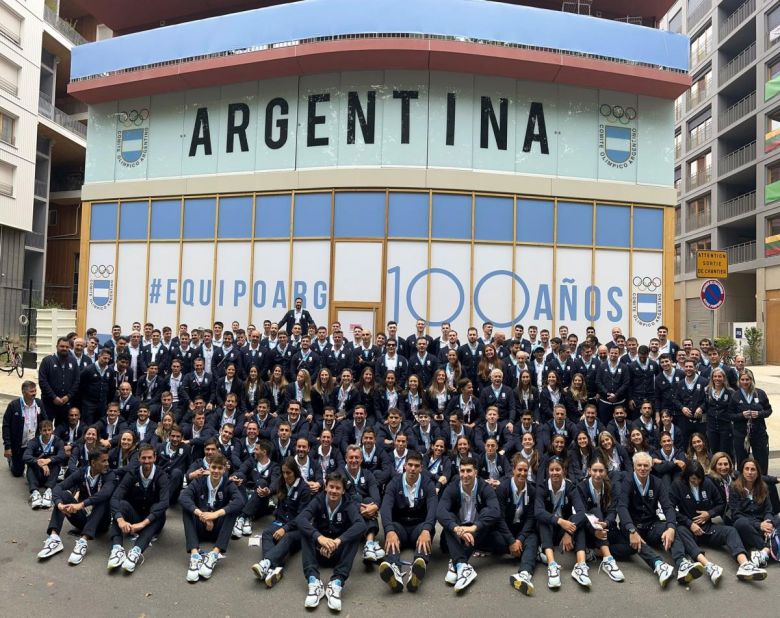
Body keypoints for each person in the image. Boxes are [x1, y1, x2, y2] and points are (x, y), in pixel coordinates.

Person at [616, 451, 704, 588]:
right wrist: (631, 530)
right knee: (636, 543)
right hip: (632, 526)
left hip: (651, 525)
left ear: (651, 467)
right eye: (639, 465)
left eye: (646, 465)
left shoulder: (657, 483)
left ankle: (682, 564)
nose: (642, 468)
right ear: (634, 466)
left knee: (673, 531)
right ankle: (659, 565)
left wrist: (670, 527)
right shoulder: (627, 481)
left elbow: (668, 507)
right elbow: (621, 507)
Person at [669, 460, 767, 583]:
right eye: (693, 479)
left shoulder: (708, 483)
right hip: (687, 528)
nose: (696, 482)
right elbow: (670, 509)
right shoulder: (677, 485)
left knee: (730, 531)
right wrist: (689, 523)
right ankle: (709, 566)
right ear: (687, 476)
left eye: (699, 479)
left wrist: (709, 514)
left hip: (707, 527)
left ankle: (745, 565)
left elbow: (721, 504)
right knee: (679, 531)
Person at [297, 472, 367, 612]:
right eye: (331, 487)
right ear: (325, 487)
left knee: (355, 535)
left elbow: (361, 525)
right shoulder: (318, 500)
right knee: (305, 532)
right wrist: (319, 538)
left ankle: (336, 583)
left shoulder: (348, 503)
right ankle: (314, 582)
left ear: (343, 490)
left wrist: (338, 541)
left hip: (338, 552)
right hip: (319, 551)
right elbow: (301, 519)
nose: (334, 491)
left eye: (338, 488)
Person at [37, 447, 115, 565]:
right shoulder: (81, 472)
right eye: (103, 461)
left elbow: (105, 493)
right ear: (93, 463)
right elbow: (59, 487)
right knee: (63, 495)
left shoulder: (110, 475)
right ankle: (54, 538)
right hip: (83, 519)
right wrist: (59, 504)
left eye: (107, 460)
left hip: (101, 523)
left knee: (102, 500)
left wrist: (81, 505)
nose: (107, 464)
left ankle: (83, 541)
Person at [436, 456, 501, 592]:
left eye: (469, 471)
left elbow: (495, 511)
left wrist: (473, 528)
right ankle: (461, 566)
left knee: (486, 514)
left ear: (476, 472)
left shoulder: (484, 487)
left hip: (476, 531)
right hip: (457, 531)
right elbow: (440, 511)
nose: (465, 475)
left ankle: (457, 564)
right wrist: (457, 528)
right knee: (450, 518)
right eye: (462, 471)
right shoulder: (452, 487)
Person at [378, 450, 437, 593]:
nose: (412, 469)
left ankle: (417, 570)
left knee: (426, 534)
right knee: (391, 536)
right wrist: (389, 530)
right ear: (404, 466)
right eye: (410, 465)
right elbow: (385, 507)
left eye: (416, 466)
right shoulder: (394, 483)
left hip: (419, 526)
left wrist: (427, 529)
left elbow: (433, 508)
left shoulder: (428, 483)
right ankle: (394, 571)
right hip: (400, 527)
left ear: (421, 468)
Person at [179, 453, 245, 582]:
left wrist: (216, 514)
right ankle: (195, 555)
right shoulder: (199, 481)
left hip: (218, 529)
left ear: (224, 470)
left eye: (220, 468)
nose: (216, 471)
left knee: (231, 511)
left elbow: (240, 502)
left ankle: (215, 553)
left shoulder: (228, 484)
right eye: (213, 467)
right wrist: (201, 514)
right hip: (201, 524)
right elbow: (183, 497)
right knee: (186, 510)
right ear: (209, 467)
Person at [107, 443, 170, 573]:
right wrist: (120, 520)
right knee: (122, 505)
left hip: (151, 520)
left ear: (155, 458)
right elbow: (115, 497)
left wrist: (142, 524)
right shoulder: (132, 474)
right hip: (134, 515)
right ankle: (117, 548)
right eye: (144, 458)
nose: (146, 461)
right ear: (139, 459)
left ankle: (135, 552)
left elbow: (165, 502)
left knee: (159, 510)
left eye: (149, 458)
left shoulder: (161, 475)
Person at [251, 457, 313, 587]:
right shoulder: (282, 483)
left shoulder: (304, 489)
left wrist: (285, 528)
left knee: (287, 536)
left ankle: (266, 563)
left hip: (298, 529)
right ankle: (274, 568)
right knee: (267, 533)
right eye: (283, 472)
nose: (285, 476)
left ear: (295, 472)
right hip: (281, 522)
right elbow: (274, 491)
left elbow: (302, 517)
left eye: (288, 473)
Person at [534, 457, 591, 590]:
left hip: (562, 530)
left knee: (577, 520)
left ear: (564, 471)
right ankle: (552, 565)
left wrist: (568, 531)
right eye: (552, 470)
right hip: (548, 529)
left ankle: (581, 566)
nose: (555, 472)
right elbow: (538, 512)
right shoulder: (542, 487)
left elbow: (582, 512)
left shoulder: (570, 487)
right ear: (548, 472)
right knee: (544, 520)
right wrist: (560, 521)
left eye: (558, 469)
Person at [576, 458, 625, 582]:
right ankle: (608, 559)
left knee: (631, 547)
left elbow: (613, 511)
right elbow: (583, 514)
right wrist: (595, 530)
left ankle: (595, 552)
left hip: (605, 527)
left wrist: (606, 523)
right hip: (589, 529)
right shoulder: (581, 487)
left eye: (601, 471)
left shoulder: (611, 487)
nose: (598, 474)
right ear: (589, 471)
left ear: (605, 472)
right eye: (594, 470)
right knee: (596, 511)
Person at [496, 455, 538, 596]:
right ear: (513, 470)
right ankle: (527, 553)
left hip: (520, 530)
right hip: (505, 530)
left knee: (532, 538)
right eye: (519, 470)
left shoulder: (532, 490)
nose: (522, 473)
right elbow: (500, 518)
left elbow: (531, 519)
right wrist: (511, 541)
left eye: (525, 470)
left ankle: (524, 574)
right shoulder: (503, 488)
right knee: (493, 539)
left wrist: (519, 539)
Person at [729, 457, 775, 569]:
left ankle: (763, 553)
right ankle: (769, 548)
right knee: (740, 523)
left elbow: (768, 510)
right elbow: (736, 514)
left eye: (753, 469)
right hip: (748, 525)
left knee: (777, 520)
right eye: (747, 469)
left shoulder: (763, 487)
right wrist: (759, 525)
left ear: (758, 472)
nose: (749, 472)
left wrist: (767, 523)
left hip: (762, 522)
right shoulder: (735, 488)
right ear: (742, 471)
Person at [234, 439, 280, 537]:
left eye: (256, 449)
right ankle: (247, 519)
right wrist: (235, 477)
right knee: (239, 480)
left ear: (264, 452)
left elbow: (275, 483)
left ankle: (242, 517)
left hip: (262, 501)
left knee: (263, 483)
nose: (253, 451)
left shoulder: (274, 466)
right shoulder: (251, 461)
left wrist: (269, 491)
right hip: (247, 497)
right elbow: (241, 470)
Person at [729, 369, 771, 474]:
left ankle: (762, 485)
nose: (745, 382)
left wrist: (759, 414)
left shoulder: (760, 393)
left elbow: (769, 410)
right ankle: (742, 487)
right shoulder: (735, 395)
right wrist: (741, 415)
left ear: (752, 380)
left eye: (747, 379)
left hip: (759, 433)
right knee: (742, 462)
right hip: (741, 434)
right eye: (742, 379)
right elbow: (730, 415)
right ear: (739, 381)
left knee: (762, 461)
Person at [3, 380, 45, 477]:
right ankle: (11, 459)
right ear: (23, 392)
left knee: (36, 470)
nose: (34, 394)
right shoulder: (14, 405)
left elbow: (44, 420)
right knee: (17, 473)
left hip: (33, 444)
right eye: (31, 391)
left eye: (35, 391)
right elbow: (6, 426)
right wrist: (7, 447)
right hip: (18, 445)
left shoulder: (39, 403)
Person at [23, 420, 64, 509]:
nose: (47, 432)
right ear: (40, 431)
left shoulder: (58, 441)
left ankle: (49, 492)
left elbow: (61, 456)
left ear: (52, 430)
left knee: (56, 464)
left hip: (50, 474)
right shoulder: (33, 441)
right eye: (44, 430)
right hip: (37, 473)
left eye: (49, 430)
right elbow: (25, 456)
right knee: (30, 465)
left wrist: (48, 460)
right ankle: (35, 493)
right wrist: (39, 462)